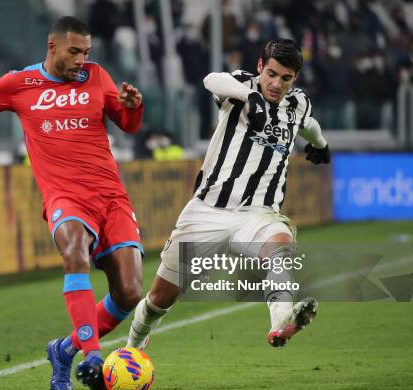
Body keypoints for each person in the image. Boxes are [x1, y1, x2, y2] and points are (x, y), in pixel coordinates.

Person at [0, 16, 145, 390]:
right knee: (74, 250)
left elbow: (127, 124)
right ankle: (92, 356)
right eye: (74, 51)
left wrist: (132, 107)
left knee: (129, 292)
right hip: (65, 196)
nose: (81, 59)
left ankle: (64, 349)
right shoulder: (18, 83)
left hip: (111, 196)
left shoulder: (96, 76)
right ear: (52, 47)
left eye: (86, 52)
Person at [127, 39, 330, 351]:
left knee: (280, 247)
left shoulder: (297, 104)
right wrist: (251, 97)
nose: (276, 84)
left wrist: (320, 143)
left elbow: (309, 125)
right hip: (209, 209)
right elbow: (212, 79)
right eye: (272, 74)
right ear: (261, 66)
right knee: (160, 298)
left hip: (259, 214)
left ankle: (282, 320)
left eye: (286, 78)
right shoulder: (239, 87)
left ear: (295, 79)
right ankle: (133, 347)